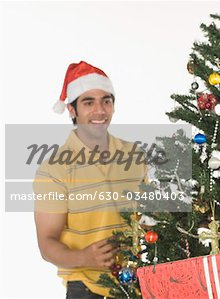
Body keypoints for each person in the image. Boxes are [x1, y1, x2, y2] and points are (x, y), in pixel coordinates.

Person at [34, 61, 147, 298]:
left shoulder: (135, 156)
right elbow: (47, 242)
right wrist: (84, 257)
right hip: (87, 289)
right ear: (72, 110)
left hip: (137, 283)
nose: (100, 110)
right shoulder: (54, 168)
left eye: (106, 100)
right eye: (88, 102)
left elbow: (148, 218)